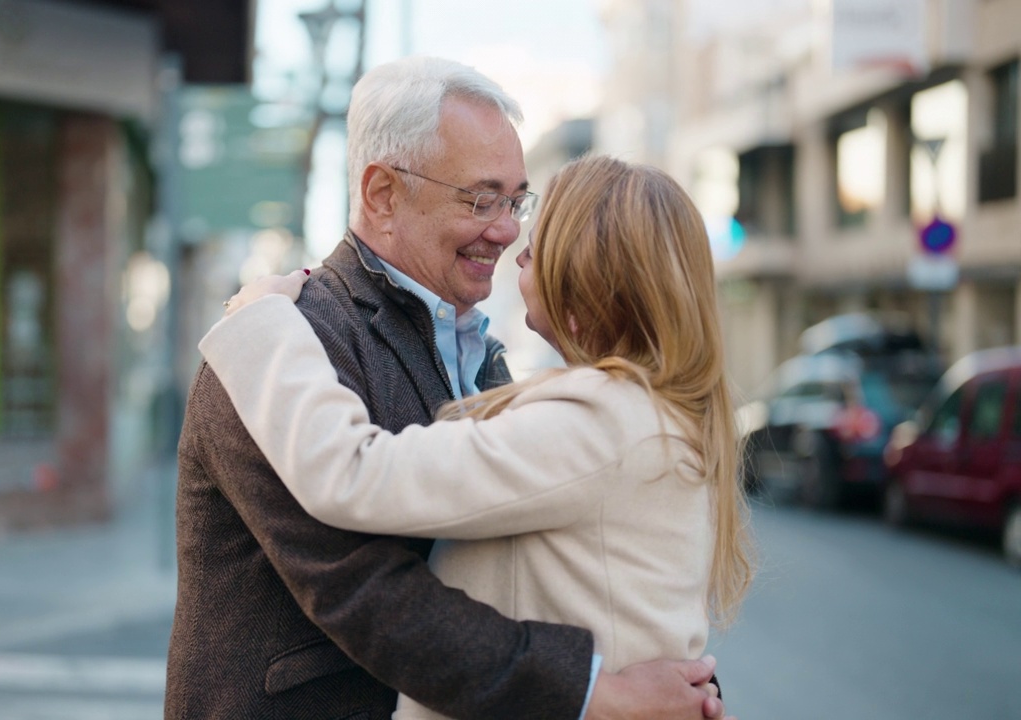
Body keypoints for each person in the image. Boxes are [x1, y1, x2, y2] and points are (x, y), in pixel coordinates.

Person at [166, 56, 733, 720]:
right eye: (482, 198)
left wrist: (661, 676)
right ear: (381, 194)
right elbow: (362, 589)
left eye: (516, 200)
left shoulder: (501, 366)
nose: (510, 229)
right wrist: (594, 688)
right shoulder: (280, 348)